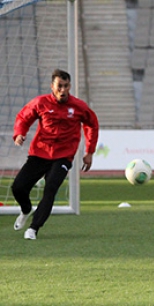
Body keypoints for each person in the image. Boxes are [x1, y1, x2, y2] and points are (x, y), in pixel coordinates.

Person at [12, 69, 99, 240]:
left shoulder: (79, 106)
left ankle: (33, 229)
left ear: (70, 86)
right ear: (52, 86)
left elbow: (92, 124)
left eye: (66, 86)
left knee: (51, 187)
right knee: (18, 188)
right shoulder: (41, 102)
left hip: (63, 156)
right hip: (40, 153)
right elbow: (24, 117)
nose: (63, 90)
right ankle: (26, 209)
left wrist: (89, 151)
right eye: (59, 86)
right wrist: (19, 133)